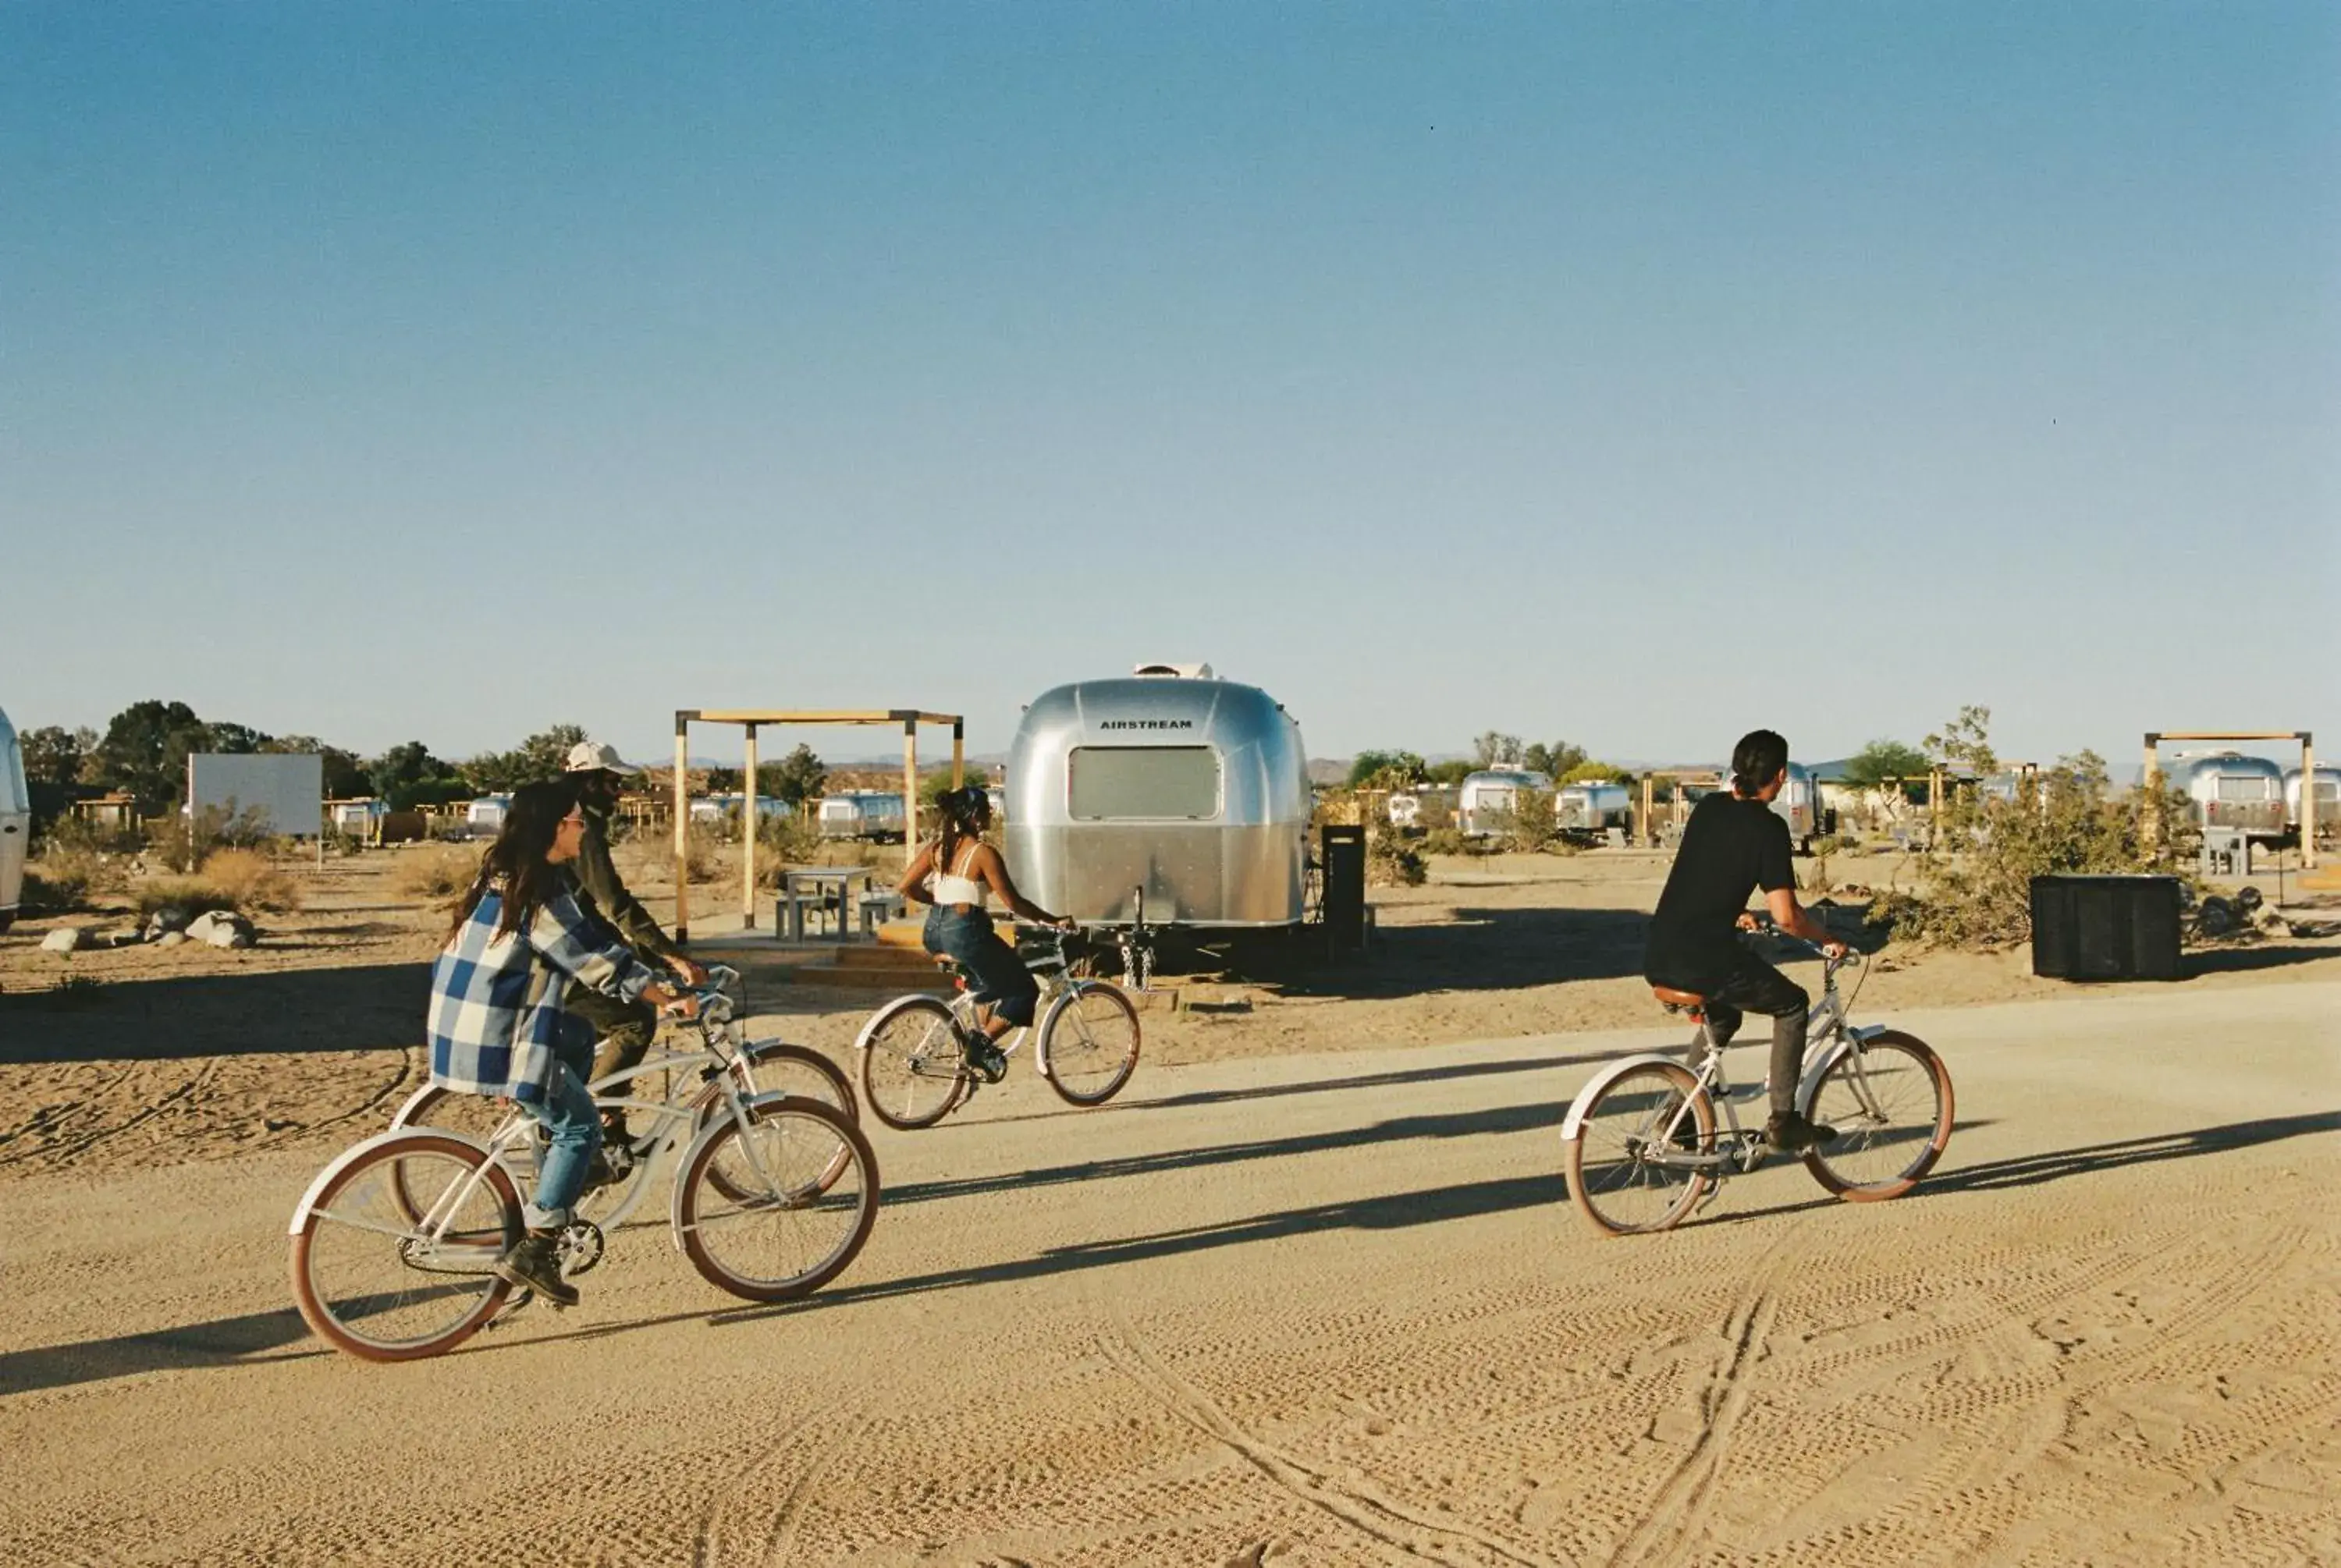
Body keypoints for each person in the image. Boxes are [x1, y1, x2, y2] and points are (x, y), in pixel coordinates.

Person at [427, 779, 698, 1307]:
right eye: (577, 821)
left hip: (466, 1025)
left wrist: (652, 971)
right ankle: (539, 1246)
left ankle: (569, 1158)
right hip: (499, 1039)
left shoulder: (507, 876)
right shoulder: (542, 894)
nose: (584, 829)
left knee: (576, 1034)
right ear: (555, 828)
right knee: (581, 1124)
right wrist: (667, 998)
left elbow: (594, 938)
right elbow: (592, 959)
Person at [1643, 729, 1848, 1152]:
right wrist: (1827, 938)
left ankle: (1678, 1114)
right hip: (1704, 958)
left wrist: (1735, 912)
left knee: (1725, 1017)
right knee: (1792, 1005)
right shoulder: (1769, 828)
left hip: (1661, 951)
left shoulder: (1709, 809)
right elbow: (1788, 917)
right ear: (1779, 776)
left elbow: (1703, 876)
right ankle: (1784, 1121)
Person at [562, 740, 709, 1151]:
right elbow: (616, 905)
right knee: (635, 1020)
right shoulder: (580, 828)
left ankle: (595, 1116)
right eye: (612, 783)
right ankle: (598, 1123)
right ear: (589, 782)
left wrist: (646, 959)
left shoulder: (562, 819)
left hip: (557, 946)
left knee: (602, 1018)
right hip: (555, 956)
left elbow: (590, 912)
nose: (619, 792)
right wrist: (673, 957)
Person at [896, 785, 1075, 1081]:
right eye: (986, 810)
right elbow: (1014, 902)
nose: (991, 813)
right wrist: (1052, 920)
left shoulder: (937, 849)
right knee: (1023, 990)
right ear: (975, 818)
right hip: (965, 934)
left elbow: (905, 887)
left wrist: (942, 902)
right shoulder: (983, 854)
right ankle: (981, 1045)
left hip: (934, 932)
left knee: (983, 984)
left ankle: (979, 1041)